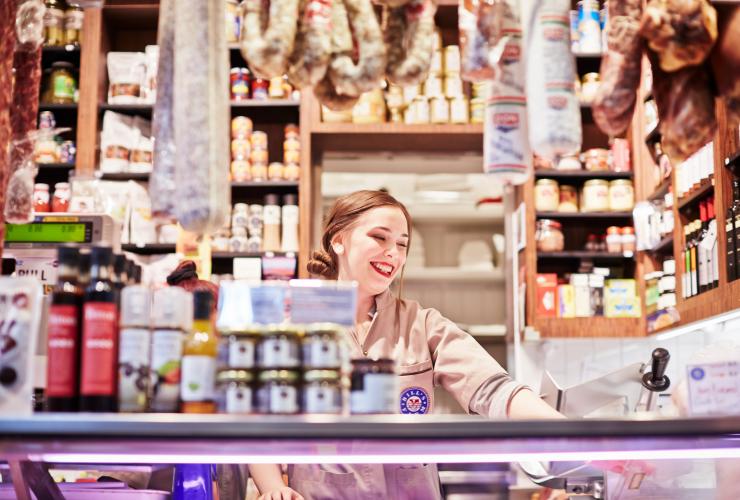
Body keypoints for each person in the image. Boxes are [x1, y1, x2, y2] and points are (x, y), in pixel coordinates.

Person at [250, 190, 563, 500]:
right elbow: (256, 415)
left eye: (402, 244)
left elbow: (494, 390)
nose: (394, 253)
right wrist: (273, 486)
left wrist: (575, 434)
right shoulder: (295, 322)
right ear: (338, 240)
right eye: (380, 237)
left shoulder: (421, 323)